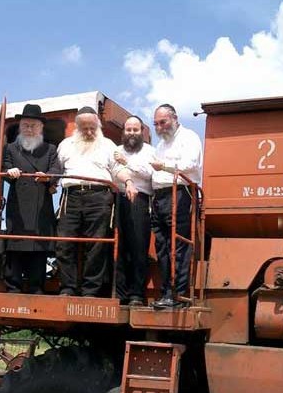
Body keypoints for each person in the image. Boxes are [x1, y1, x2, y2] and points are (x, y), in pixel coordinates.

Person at [56, 106, 137, 297]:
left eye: (93, 127)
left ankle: (90, 291)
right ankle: (67, 288)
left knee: (97, 245)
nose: (89, 132)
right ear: (77, 127)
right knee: (63, 243)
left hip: (100, 197)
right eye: (85, 128)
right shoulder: (65, 145)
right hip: (71, 197)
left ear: (98, 126)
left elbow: (118, 170)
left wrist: (129, 181)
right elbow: (56, 169)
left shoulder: (108, 145)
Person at [3, 103, 61, 294]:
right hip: (18, 205)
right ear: (20, 127)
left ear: (40, 128)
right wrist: (8, 172)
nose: (29, 129)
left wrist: (48, 177)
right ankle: (13, 287)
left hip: (41, 205)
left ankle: (37, 286)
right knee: (15, 245)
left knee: (39, 247)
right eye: (25, 125)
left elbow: (56, 170)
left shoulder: (50, 149)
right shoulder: (10, 149)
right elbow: (3, 168)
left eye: (33, 125)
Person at [149, 104, 203, 308]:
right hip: (160, 196)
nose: (160, 127)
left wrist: (163, 166)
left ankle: (178, 295)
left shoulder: (189, 138)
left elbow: (191, 166)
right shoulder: (160, 145)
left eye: (163, 122)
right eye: (156, 124)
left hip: (180, 194)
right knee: (162, 246)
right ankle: (166, 293)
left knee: (179, 245)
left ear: (175, 118)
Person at [113, 115, 155, 306]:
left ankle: (137, 294)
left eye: (135, 130)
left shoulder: (150, 151)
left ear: (142, 132)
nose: (131, 133)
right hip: (117, 199)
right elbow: (112, 171)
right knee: (118, 247)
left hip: (140, 199)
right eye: (128, 130)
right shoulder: (116, 150)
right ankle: (120, 294)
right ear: (124, 131)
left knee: (138, 247)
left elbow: (148, 173)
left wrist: (126, 163)